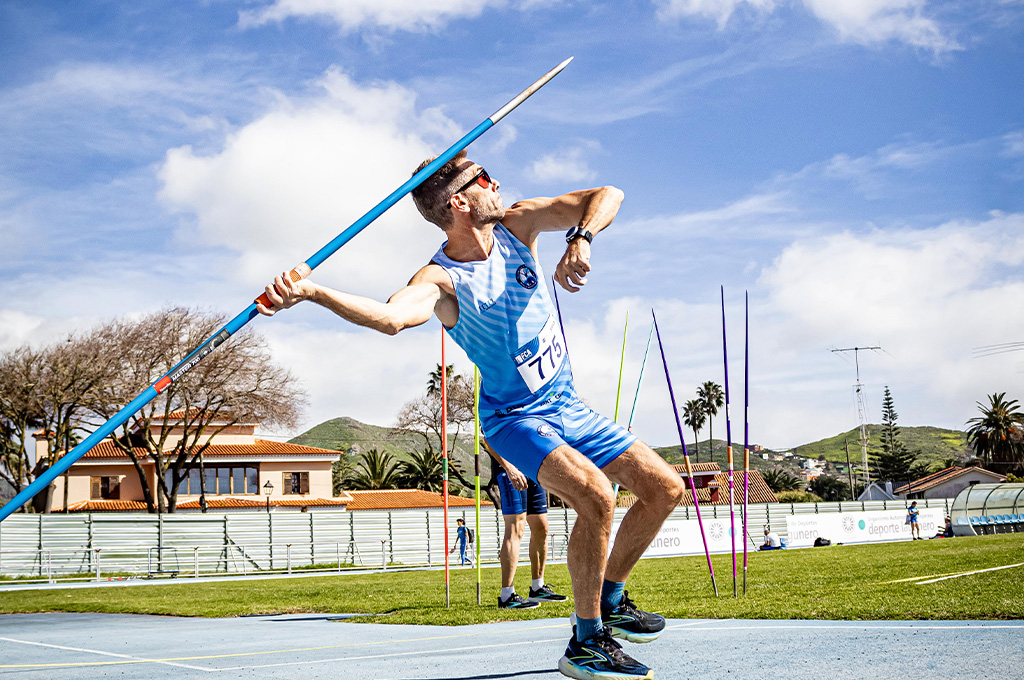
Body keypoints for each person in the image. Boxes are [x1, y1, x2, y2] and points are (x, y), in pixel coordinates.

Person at [257, 151, 684, 680]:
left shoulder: (519, 223)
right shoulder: (441, 280)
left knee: (664, 488)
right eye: (483, 179)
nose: (496, 182)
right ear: (460, 201)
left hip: (568, 405)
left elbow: (608, 195)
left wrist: (581, 238)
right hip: (514, 418)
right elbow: (392, 317)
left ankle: (612, 597)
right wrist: (312, 290)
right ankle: (587, 640)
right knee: (595, 495)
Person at [484, 439, 567, 609]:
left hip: (533, 471)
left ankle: (538, 587)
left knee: (542, 527)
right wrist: (509, 468)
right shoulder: (497, 412)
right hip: (510, 471)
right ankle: (507, 595)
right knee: (516, 529)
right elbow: (488, 439)